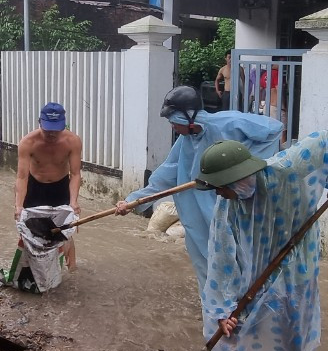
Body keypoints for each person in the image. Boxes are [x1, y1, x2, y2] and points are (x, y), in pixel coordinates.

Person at [186, 133, 328, 351]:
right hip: (253, 271)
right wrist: (221, 310)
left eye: (221, 189)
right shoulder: (228, 207)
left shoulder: (288, 167)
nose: (218, 195)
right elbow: (222, 260)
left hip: (297, 266)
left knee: (294, 331)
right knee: (232, 327)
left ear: (236, 178)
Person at [114, 85, 281, 289]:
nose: (172, 126)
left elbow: (273, 129)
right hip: (198, 214)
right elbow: (166, 174)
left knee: (238, 259)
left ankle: (241, 309)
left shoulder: (227, 122)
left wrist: (240, 167)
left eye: (174, 121)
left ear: (188, 117)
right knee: (204, 263)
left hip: (230, 207)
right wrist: (134, 201)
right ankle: (214, 312)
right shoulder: (186, 140)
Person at [15, 102, 83, 270]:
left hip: (60, 188)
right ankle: (30, 270)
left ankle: (72, 272)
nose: (52, 134)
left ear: (63, 124)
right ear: (40, 122)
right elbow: (22, 176)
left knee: (66, 230)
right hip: (35, 187)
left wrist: (73, 202)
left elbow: (75, 174)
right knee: (29, 231)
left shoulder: (72, 141)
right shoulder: (28, 142)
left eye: (56, 130)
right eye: (48, 130)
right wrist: (18, 205)